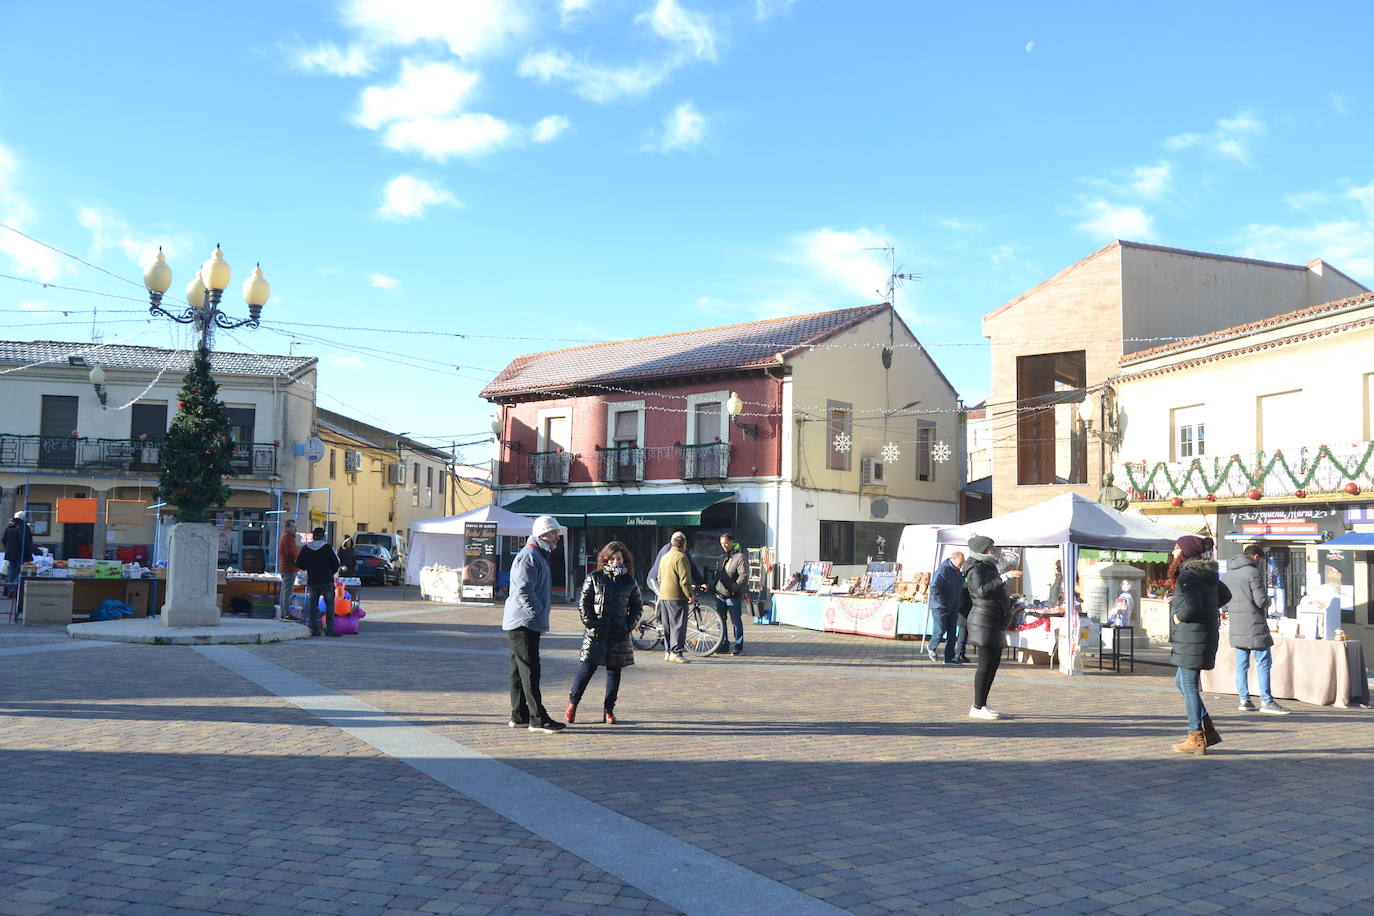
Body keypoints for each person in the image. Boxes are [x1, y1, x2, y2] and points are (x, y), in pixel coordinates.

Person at [566, 541, 643, 725]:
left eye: (619, 558)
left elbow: (636, 606)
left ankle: (609, 710)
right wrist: (591, 624)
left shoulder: (629, 582)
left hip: (618, 634)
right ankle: (572, 705)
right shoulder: (594, 577)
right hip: (596, 634)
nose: (616, 562)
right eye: (613, 558)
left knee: (614, 674)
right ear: (606, 559)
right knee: (585, 671)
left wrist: (628, 625)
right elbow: (583, 603)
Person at [1169, 535, 1231, 754]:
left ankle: (1196, 736)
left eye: (1177, 549)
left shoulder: (1188, 575)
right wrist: (1209, 607)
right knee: (1181, 683)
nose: (1174, 552)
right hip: (1202, 636)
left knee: (1188, 686)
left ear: (1185, 552)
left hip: (1192, 637)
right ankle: (1207, 730)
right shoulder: (1207, 573)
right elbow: (1225, 594)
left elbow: (1192, 605)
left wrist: (1179, 616)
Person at [504, 515, 567, 733]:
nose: (557, 537)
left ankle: (519, 714)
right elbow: (523, 590)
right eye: (554, 534)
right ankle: (537, 718)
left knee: (519, 670)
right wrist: (537, 614)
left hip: (521, 621)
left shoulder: (536, 554)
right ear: (543, 535)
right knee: (530, 670)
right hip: (524, 622)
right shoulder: (530, 555)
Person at [1224, 544, 1290, 716]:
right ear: (1256, 557)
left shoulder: (1230, 573)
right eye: (1261, 560)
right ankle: (1267, 701)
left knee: (1241, 664)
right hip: (1254, 624)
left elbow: (1224, 601)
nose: (1261, 563)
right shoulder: (1253, 572)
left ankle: (1244, 699)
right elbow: (1260, 601)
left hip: (1237, 625)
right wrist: (1269, 600)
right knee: (1263, 662)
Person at [964, 535, 1019, 719]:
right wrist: (1004, 578)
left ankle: (983, 704)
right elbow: (981, 591)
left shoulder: (988, 566)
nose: (993, 550)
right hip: (983, 622)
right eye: (990, 548)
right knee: (985, 665)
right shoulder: (976, 568)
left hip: (993, 622)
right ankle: (977, 706)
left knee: (993, 664)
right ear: (982, 550)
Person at [656, 531, 694, 663]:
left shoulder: (664, 557)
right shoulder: (681, 558)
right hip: (677, 596)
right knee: (678, 624)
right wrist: (689, 595)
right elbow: (685, 580)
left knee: (667, 625)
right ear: (684, 545)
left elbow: (659, 577)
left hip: (664, 595)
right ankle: (677, 652)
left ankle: (667, 651)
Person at [296, 527, 341, 637]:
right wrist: (331, 572)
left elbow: (298, 563)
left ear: (313, 536)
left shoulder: (306, 548)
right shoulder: (327, 548)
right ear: (323, 536)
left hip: (313, 580)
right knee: (329, 605)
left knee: (313, 605)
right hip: (326, 580)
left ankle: (314, 629)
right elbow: (336, 563)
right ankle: (329, 629)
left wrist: (308, 567)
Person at [927, 551, 967, 664]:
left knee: (952, 634)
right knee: (940, 631)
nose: (962, 563)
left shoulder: (958, 572)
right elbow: (934, 587)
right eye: (961, 560)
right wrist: (942, 601)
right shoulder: (943, 569)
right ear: (954, 559)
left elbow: (960, 588)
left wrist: (959, 602)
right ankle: (931, 646)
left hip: (953, 607)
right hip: (940, 607)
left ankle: (949, 658)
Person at [713, 533, 749, 656]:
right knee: (720, 621)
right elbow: (718, 574)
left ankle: (738, 646)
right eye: (722, 544)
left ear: (732, 542)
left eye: (726, 543)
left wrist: (734, 587)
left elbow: (743, 575)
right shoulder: (722, 557)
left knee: (736, 622)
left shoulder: (740, 557)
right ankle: (724, 645)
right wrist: (713, 587)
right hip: (720, 595)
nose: (724, 545)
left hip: (733, 595)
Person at [3, 511, 36, 600]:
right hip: (20, 554)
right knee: (22, 572)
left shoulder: (9, 526)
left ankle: (10, 590)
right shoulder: (23, 527)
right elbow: (25, 541)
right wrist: (28, 554)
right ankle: (14, 589)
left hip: (10, 554)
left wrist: (8, 549)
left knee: (11, 573)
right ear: (23, 518)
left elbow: (4, 539)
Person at [276, 519, 300, 621]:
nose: (295, 529)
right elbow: (290, 553)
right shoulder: (288, 537)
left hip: (287, 567)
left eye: (295, 527)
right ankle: (286, 613)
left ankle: (284, 612)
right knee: (287, 591)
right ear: (287, 528)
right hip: (289, 568)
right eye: (293, 527)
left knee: (285, 591)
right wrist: (298, 562)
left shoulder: (288, 537)